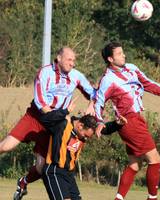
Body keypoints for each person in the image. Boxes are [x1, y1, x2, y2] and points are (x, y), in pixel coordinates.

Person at [0, 46, 96, 200]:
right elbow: (40, 102)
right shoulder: (45, 73)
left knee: (41, 167)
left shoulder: (76, 76)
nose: (73, 63)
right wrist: (58, 116)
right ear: (59, 58)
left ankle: (23, 183)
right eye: (69, 59)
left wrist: (92, 104)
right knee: (6, 146)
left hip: (54, 124)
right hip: (36, 117)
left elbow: (95, 94)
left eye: (74, 60)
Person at [94, 42, 160, 200]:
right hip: (129, 122)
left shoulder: (131, 68)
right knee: (155, 160)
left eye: (123, 52)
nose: (123, 55)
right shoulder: (108, 79)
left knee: (135, 165)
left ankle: (118, 198)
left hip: (136, 119)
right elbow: (99, 102)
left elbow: (148, 83)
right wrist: (99, 121)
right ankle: (152, 198)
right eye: (119, 54)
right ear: (110, 59)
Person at [42, 111, 127, 200]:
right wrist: (64, 111)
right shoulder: (62, 125)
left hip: (68, 174)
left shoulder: (87, 128)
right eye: (85, 135)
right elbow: (44, 119)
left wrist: (117, 124)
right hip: (55, 171)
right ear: (80, 126)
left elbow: (104, 129)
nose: (85, 138)